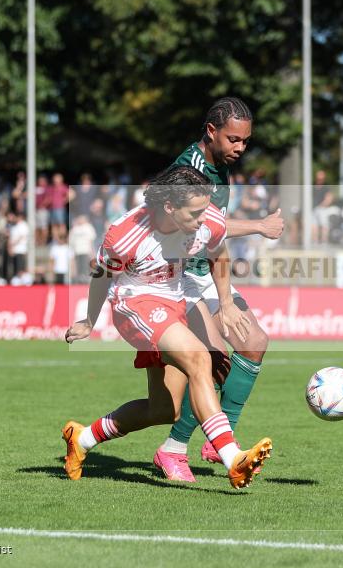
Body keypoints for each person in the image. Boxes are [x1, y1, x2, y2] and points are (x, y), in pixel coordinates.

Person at [62, 166, 272, 489]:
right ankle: (233, 459)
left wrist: (227, 302)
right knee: (200, 359)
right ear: (169, 208)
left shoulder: (207, 219)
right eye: (196, 213)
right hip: (135, 304)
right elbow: (102, 276)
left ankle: (83, 438)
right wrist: (89, 320)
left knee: (164, 410)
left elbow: (219, 250)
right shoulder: (126, 234)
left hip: (175, 300)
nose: (204, 218)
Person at [151, 97, 283, 483]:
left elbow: (215, 233)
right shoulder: (190, 170)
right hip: (178, 279)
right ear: (211, 132)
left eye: (245, 141)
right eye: (233, 139)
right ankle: (173, 449)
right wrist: (259, 225)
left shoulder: (219, 165)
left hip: (205, 271)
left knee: (255, 341)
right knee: (214, 361)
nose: (240, 148)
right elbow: (211, 224)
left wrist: (226, 300)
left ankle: (214, 441)